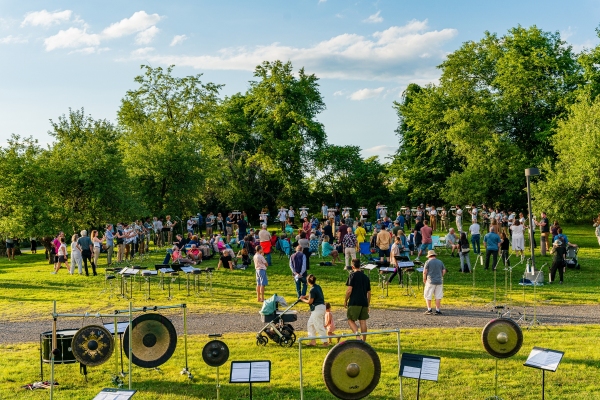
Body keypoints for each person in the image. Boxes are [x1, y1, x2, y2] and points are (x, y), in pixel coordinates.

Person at [345, 259, 371, 341]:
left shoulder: (352, 275)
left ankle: (358, 337)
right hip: (364, 302)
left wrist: (345, 300)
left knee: (350, 320)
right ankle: (364, 341)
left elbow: (349, 290)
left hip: (354, 302)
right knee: (363, 322)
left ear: (352, 266)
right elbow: (369, 293)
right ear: (360, 266)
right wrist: (367, 304)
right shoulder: (366, 277)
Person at [299, 274, 328, 347]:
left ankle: (325, 342)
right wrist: (305, 296)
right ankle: (312, 341)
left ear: (308, 282)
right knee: (310, 324)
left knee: (319, 325)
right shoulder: (317, 287)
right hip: (321, 307)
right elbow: (311, 295)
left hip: (317, 309)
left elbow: (310, 301)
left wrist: (303, 300)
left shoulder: (312, 289)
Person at [423, 250, 447, 315]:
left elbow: (425, 271)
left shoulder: (428, 262)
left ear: (429, 256)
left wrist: (424, 279)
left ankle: (429, 309)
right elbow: (444, 270)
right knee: (438, 296)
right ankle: (438, 310)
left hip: (430, 281)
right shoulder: (440, 262)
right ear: (435, 255)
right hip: (439, 281)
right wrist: (440, 276)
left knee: (428, 295)